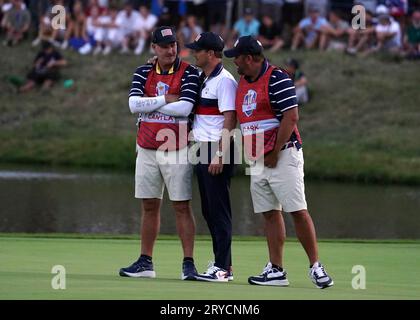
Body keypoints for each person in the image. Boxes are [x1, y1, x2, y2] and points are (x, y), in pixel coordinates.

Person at [224, 36, 334, 289]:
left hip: (283, 155)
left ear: (249, 58)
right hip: (257, 159)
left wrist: (273, 152)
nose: (235, 62)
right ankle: (276, 270)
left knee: (297, 210)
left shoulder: (278, 78)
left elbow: (291, 117)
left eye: (237, 57)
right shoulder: (241, 82)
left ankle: (316, 267)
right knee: (270, 214)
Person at [119, 26, 200, 281]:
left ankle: (188, 263)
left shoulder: (189, 72)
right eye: (164, 46)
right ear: (154, 47)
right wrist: (166, 99)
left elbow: (185, 107)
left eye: (173, 44)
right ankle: (146, 262)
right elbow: (133, 105)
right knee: (149, 205)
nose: (170, 50)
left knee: (181, 206)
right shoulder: (143, 71)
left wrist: (152, 103)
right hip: (146, 147)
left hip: (177, 148)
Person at [184, 32, 237, 282]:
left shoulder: (225, 81)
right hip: (201, 148)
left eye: (199, 49)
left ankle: (223, 268)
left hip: (216, 149)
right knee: (208, 210)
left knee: (219, 211)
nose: (195, 53)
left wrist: (219, 154)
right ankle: (222, 263)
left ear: (211, 54)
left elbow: (230, 119)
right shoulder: (203, 77)